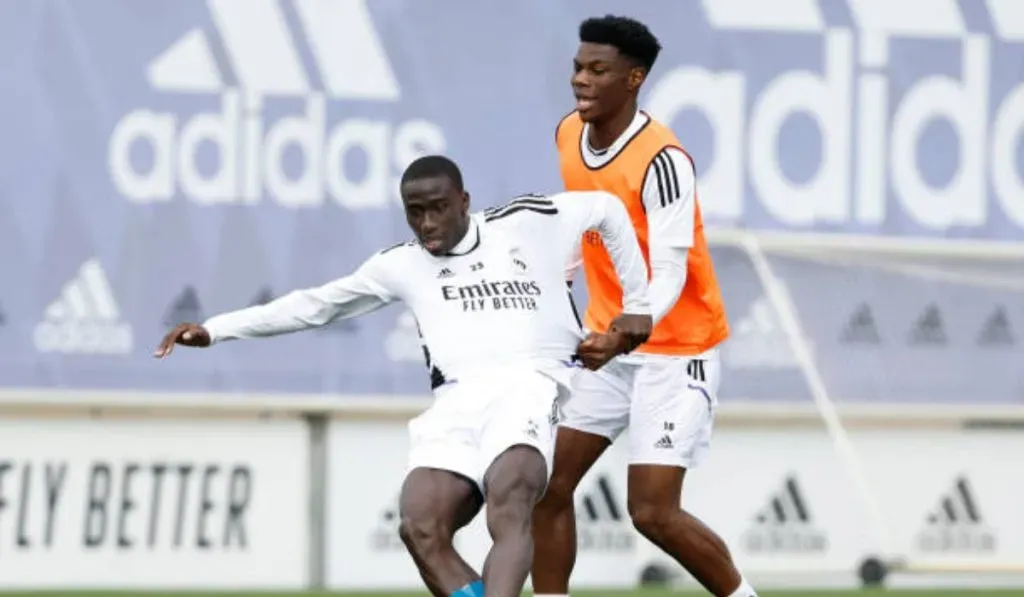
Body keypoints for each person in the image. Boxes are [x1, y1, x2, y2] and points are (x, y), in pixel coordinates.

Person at [153, 155, 653, 597]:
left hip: (527, 388)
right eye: (416, 212)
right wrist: (216, 330)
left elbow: (606, 210)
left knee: (511, 499)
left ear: (464, 200)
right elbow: (314, 305)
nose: (428, 223)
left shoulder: (527, 221)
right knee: (420, 526)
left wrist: (637, 308)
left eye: (438, 208)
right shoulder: (400, 265)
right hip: (456, 404)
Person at [530, 15, 758, 597]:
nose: (581, 79)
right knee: (544, 485)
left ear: (633, 79)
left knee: (653, 513)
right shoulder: (567, 135)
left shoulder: (664, 160)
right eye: (578, 67)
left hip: (677, 352)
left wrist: (628, 330)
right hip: (609, 343)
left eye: (598, 70)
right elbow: (580, 235)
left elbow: (672, 270)